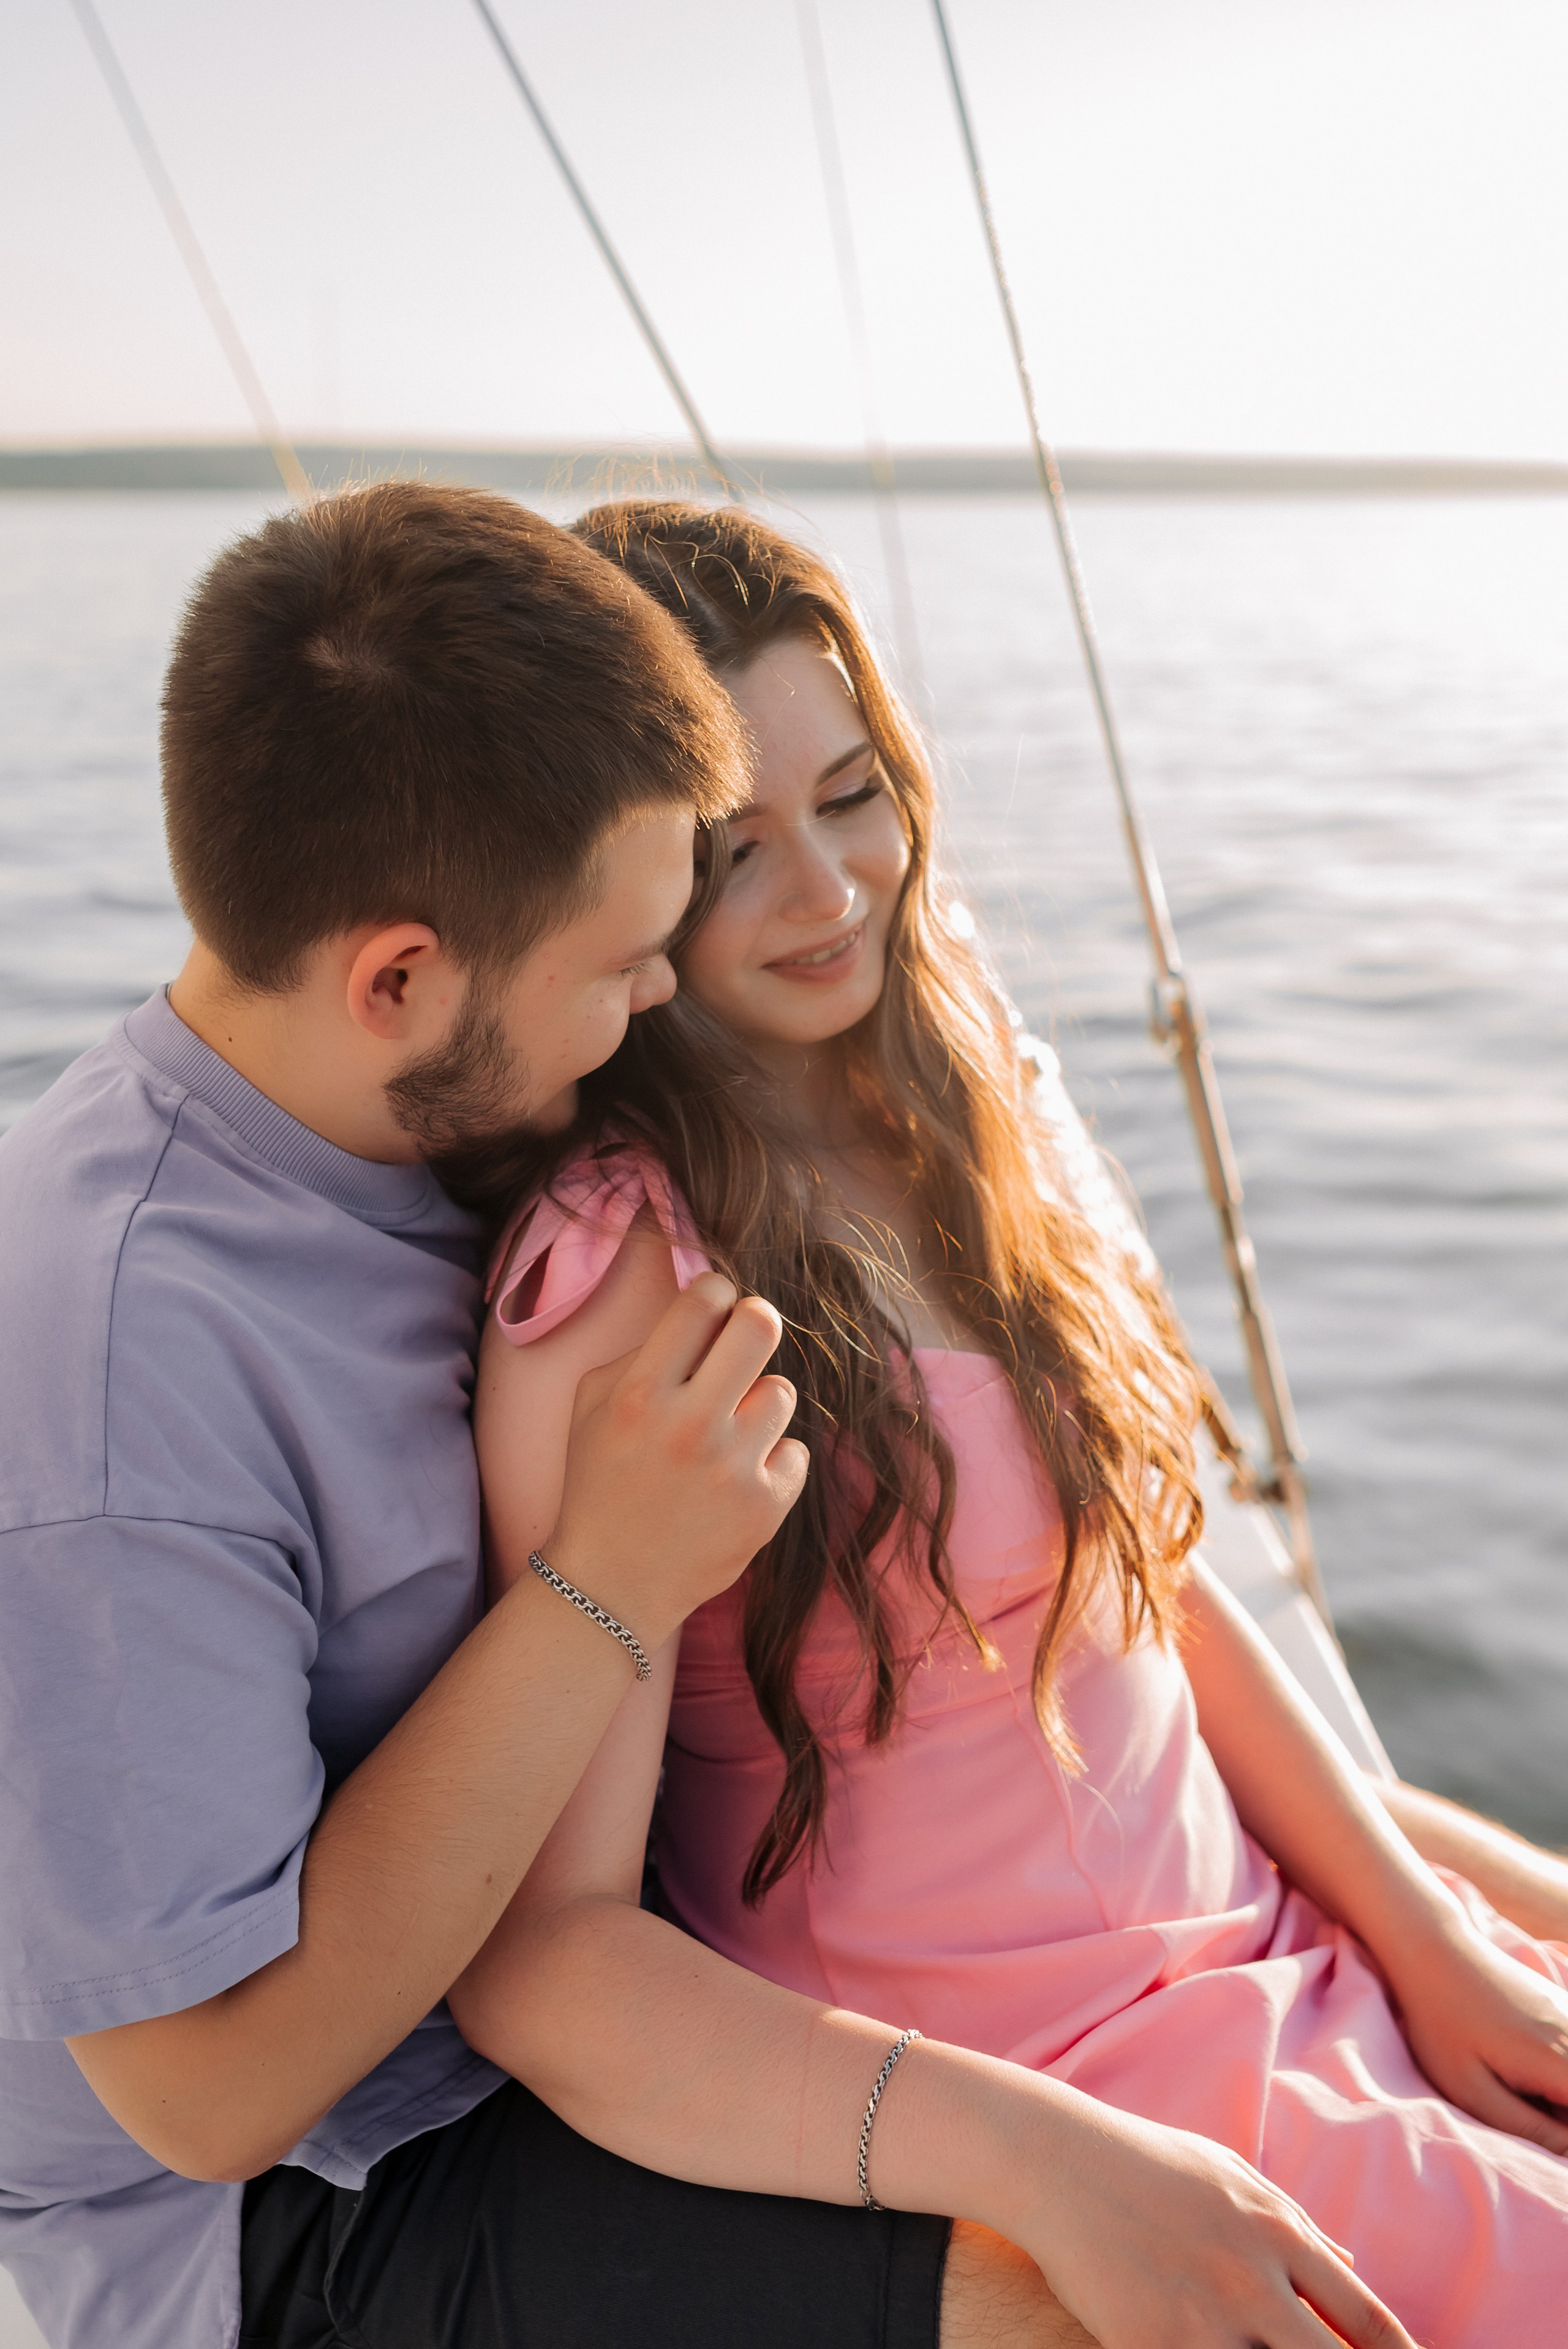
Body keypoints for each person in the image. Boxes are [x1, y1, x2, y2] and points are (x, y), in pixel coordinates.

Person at [453, 500, 1568, 2349]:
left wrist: (1426, 1933)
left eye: (853, 796)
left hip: (1270, 1943)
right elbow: (552, 1952)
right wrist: (1038, 2169)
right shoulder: (630, 1285)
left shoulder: (978, 1104)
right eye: (733, 851)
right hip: (1039, 2082)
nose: (828, 892)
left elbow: (1148, 1590)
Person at [0, 480, 1061, 2349]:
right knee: (1043, 2305)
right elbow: (210, 2091)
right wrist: (605, 1583)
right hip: (306, 2185)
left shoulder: (416, 1109)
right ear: (401, 977)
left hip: (530, 1989)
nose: (662, 993)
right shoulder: (108, 1378)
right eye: (620, 962)